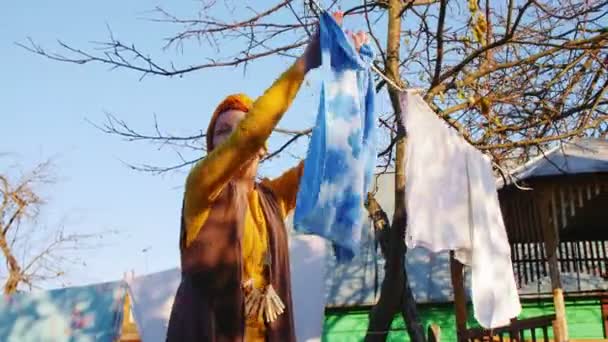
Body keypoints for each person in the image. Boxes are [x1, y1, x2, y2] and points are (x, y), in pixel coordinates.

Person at [166, 12, 368, 342]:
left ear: (264, 149)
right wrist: (306, 62)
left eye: (240, 129)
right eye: (223, 132)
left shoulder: (271, 200)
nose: (234, 137)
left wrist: (346, 82)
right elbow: (249, 133)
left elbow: (324, 158)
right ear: (211, 148)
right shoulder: (201, 189)